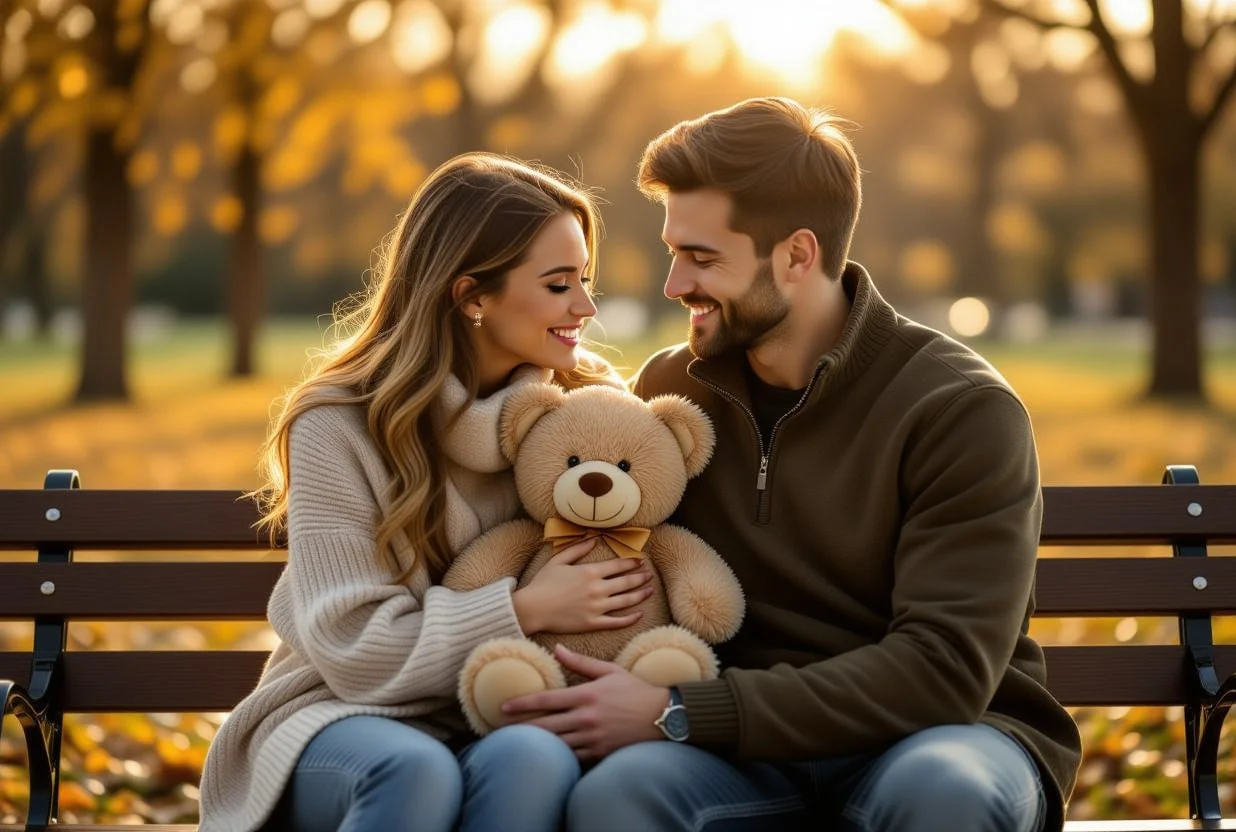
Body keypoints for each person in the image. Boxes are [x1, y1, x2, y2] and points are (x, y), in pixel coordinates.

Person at [499, 98, 1083, 831]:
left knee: (945, 793)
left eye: (703, 258)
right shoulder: (671, 392)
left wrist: (682, 710)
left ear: (798, 255)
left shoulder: (959, 409)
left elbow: (944, 670)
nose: (675, 284)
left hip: (939, 736)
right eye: (674, 251)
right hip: (738, 751)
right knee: (619, 796)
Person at [197, 153, 655, 832]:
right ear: (471, 295)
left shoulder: (584, 412)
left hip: (498, 711)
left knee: (535, 759)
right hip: (338, 715)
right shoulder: (338, 422)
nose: (586, 307)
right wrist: (522, 609)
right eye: (560, 285)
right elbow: (354, 648)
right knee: (414, 771)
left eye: (584, 280)